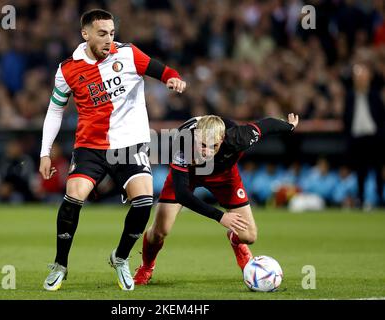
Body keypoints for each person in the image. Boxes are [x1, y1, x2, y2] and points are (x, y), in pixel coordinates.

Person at [39, 9, 186, 291]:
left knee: (144, 201)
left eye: (112, 33)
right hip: (90, 147)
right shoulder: (68, 69)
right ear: (86, 34)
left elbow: (163, 71)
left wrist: (173, 79)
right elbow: (55, 111)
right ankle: (60, 264)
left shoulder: (129, 54)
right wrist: (45, 152)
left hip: (129, 145)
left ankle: (120, 258)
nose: (109, 40)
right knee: (74, 196)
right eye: (102, 34)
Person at [133, 113, 299, 285]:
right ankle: (146, 267)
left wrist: (290, 126)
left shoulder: (238, 137)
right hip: (189, 175)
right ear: (196, 135)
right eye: (203, 145)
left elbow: (267, 125)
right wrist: (220, 216)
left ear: (222, 139)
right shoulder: (181, 142)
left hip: (224, 176)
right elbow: (183, 195)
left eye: (214, 146)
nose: (207, 152)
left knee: (249, 236)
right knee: (160, 232)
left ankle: (235, 241)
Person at [343, 62, 385, 209]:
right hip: (357, 138)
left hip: (374, 138)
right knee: (360, 171)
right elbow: (346, 119)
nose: (360, 79)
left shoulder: (374, 95)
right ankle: (360, 199)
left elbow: (381, 117)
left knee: (378, 170)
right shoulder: (350, 96)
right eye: (358, 77)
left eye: (363, 76)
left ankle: (380, 199)